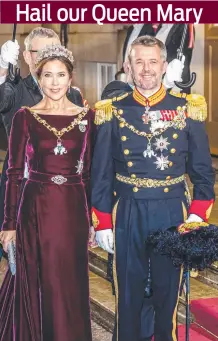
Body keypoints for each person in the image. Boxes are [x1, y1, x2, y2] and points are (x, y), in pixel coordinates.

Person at [91, 35, 215, 341]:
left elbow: (202, 171)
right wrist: (103, 221)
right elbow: (101, 174)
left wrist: (198, 215)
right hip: (128, 211)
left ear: (163, 66)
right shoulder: (112, 110)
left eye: (152, 61)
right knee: (128, 293)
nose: (146, 69)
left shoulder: (188, 108)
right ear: (128, 67)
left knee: (166, 293)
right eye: (139, 62)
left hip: (172, 210)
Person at [0, 44, 94, 341]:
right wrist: (9, 224)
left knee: (69, 281)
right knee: (41, 280)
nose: (54, 82)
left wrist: (93, 220)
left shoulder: (87, 118)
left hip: (73, 209)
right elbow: (14, 173)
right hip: (35, 208)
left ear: (71, 79)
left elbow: (89, 173)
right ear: (39, 78)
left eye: (61, 75)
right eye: (48, 75)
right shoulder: (25, 117)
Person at [0, 27, 85, 230]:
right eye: (42, 53)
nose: (50, 58)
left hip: (64, 193)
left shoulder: (73, 95)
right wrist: (2, 68)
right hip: (22, 194)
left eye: (54, 52)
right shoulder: (15, 90)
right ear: (27, 56)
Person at [117, 24, 195, 93]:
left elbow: (181, 67)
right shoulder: (137, 28)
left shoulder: (183, 27)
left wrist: (167, 83)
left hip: (171, 94)